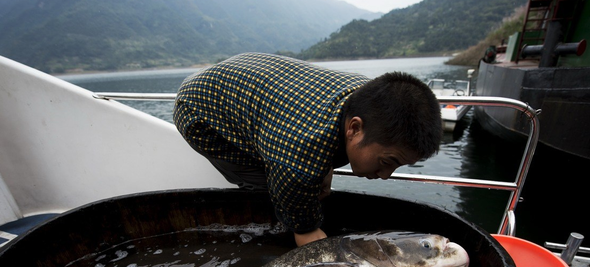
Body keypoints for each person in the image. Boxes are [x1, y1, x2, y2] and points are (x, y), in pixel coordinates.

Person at [173, 52, 442, 247]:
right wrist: (306, 231)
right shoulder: (297, 157)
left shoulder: (368, 99)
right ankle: (265, 237)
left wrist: (323, 171)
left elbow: (322, 147)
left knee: (304, 180)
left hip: (249, 80)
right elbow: (300, 197)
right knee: (270, 189)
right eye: (388, 161)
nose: (386, 175)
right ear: (354, 129)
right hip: (200, 109)